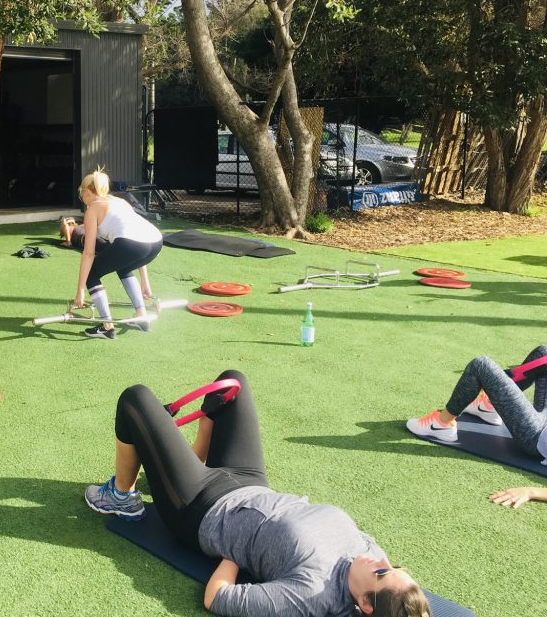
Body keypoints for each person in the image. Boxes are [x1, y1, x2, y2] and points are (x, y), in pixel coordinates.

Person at [85, 370, 431, 617]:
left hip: (201, 509)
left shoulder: (311, 594)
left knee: (136, 399)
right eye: (394, 565)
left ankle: (121, 495)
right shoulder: (370, 558)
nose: (380, 560)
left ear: (366, 605)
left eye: (383, 573)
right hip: (249, 482)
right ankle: (188, 461)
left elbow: (217, 598)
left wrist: (238, 549)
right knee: (232, 386)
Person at [406, 345, 547, 507]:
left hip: (535, 435)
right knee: (543, 354)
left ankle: (441, 424)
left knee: (481, 365)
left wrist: (531, 492)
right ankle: (488, 406)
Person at [74, 170, 162, 339]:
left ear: (86, 191)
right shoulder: (119, 201)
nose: (81, 196)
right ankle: (141, 316)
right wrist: (144, 280)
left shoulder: (92, 210)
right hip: (155, 242)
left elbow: (89, 252)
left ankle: (107, 327)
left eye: (81, 192)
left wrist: (80, 290)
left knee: (92, 274)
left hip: (133, 243)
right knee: (124, 266)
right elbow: (137, 238)